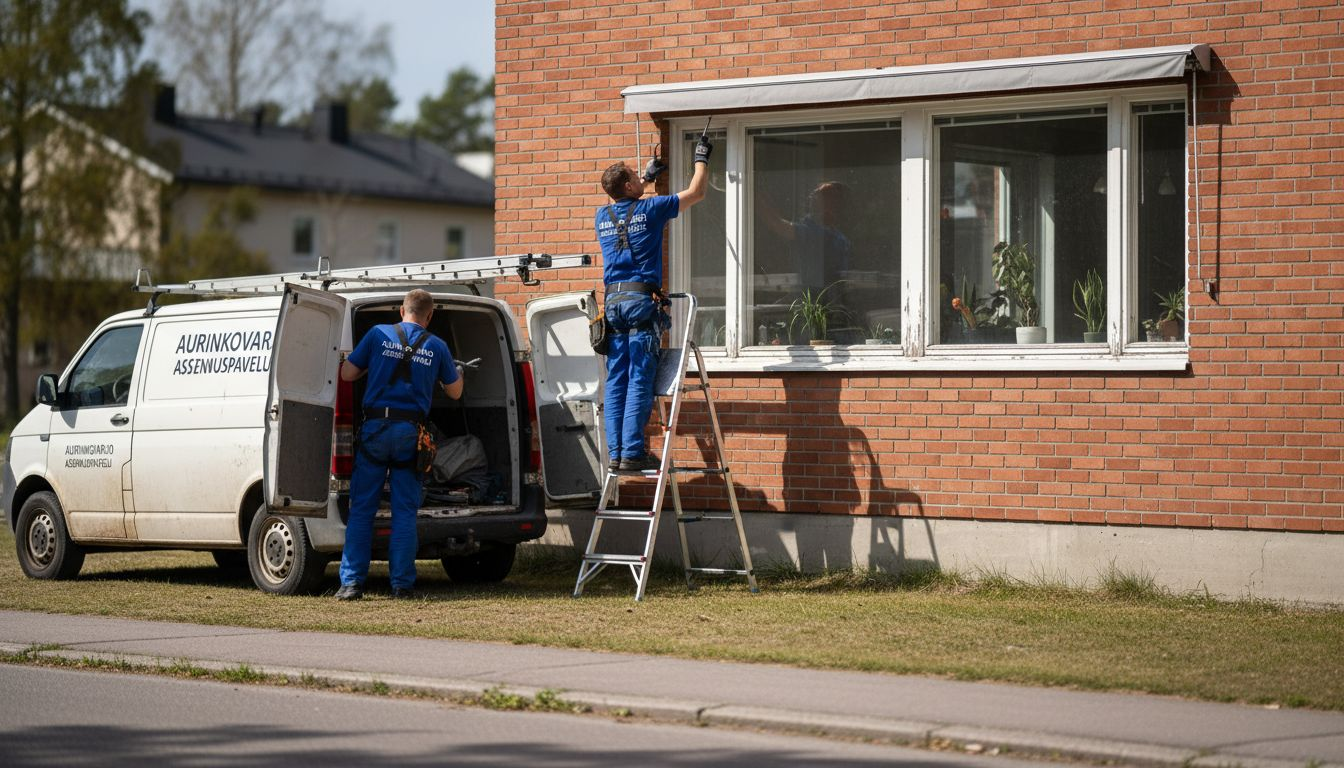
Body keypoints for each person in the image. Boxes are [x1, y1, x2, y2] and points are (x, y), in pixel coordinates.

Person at [334, 289, 463, 600]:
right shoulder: (437, 346)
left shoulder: (377, 334)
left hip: (375, 430)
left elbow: (347, 374)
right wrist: (455, 372)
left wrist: (372, 364)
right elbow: (455, 392)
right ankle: (402, 585)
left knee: (362, 509)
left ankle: (351, 584)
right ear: (430, 316)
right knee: (404, 512)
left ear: (401, 310)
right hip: (410, 435)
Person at [595, 135, 711, 472]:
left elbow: (626, 204)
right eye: (635, 176)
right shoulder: (651, 208)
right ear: (628, 185)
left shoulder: (602, 215)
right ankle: (633, 452)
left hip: (613, 304)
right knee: (639, 378)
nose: (640, 178)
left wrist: (646, 178)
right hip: (640, 304)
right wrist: (701, 158)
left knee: (617, 379)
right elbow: (696, 193)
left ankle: (616, 453)